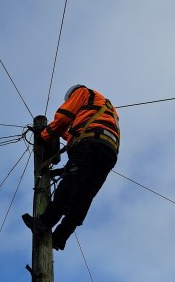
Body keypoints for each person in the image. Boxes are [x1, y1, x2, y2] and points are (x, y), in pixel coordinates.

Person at [22, 84, 120, 250]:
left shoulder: (81, 92)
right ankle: (60, 237)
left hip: (90, 144)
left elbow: (63, 117)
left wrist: (44, 136)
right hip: (109, 151)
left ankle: (44, 223)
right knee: (84, 196)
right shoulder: (106, 109)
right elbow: (74, 134)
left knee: (71, 183)